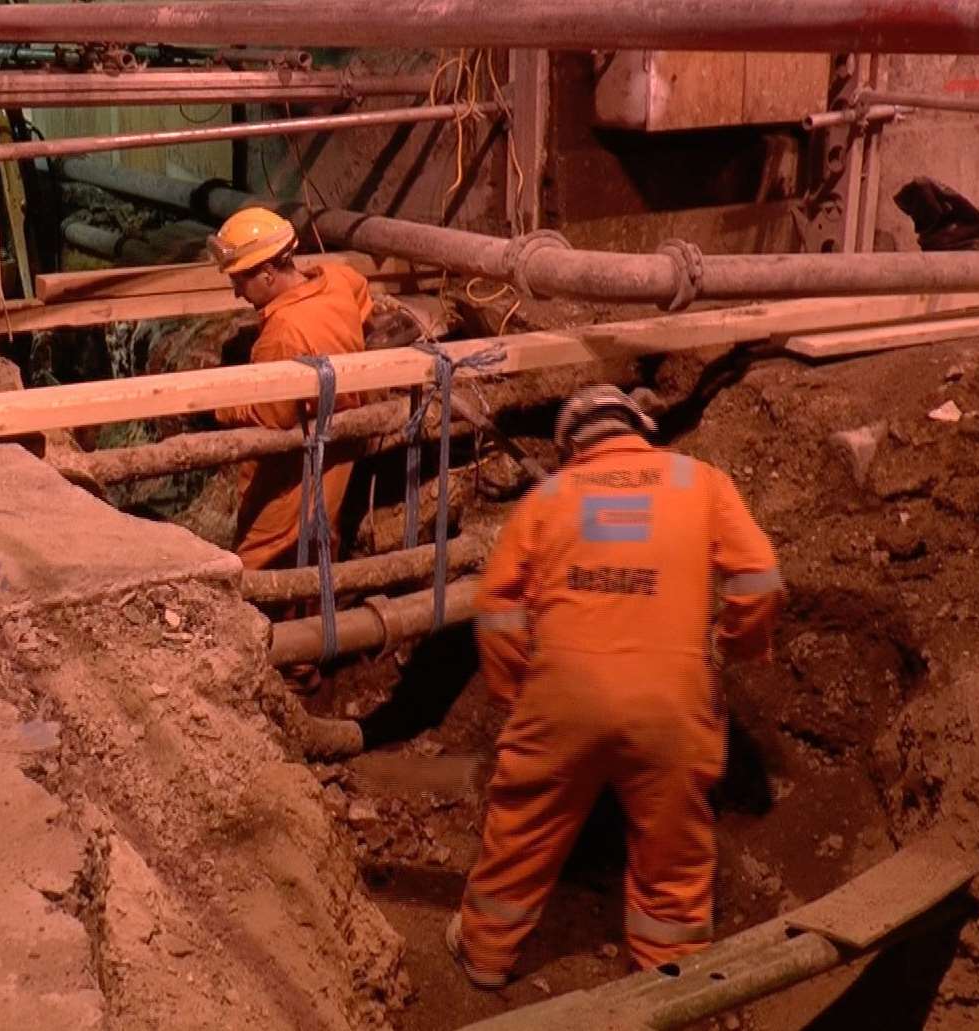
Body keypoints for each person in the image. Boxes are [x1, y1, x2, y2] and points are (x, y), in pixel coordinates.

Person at [446, 385, 785, 988]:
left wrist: (514, 691)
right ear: (639, 426)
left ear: (570, 445)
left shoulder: (548, 498)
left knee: (523, 828)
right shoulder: (699, 482)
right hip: (671, 701)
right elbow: (758, 576)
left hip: (562, 697)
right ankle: (671, 980)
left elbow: (496, 606)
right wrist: (738, 648)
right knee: (673, 849)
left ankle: (486, 957)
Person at [209, 206, 373, 570]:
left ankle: (265, 621)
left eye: (239, 281)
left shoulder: (283, 334)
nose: (237, 294)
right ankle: (317, 617)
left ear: (267, 274)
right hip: (339, 442)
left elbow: (274, 413)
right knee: (320, 536)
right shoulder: (336, 279)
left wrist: (221, 406)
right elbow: (363, 297)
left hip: (293, 465)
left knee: (263, 552)